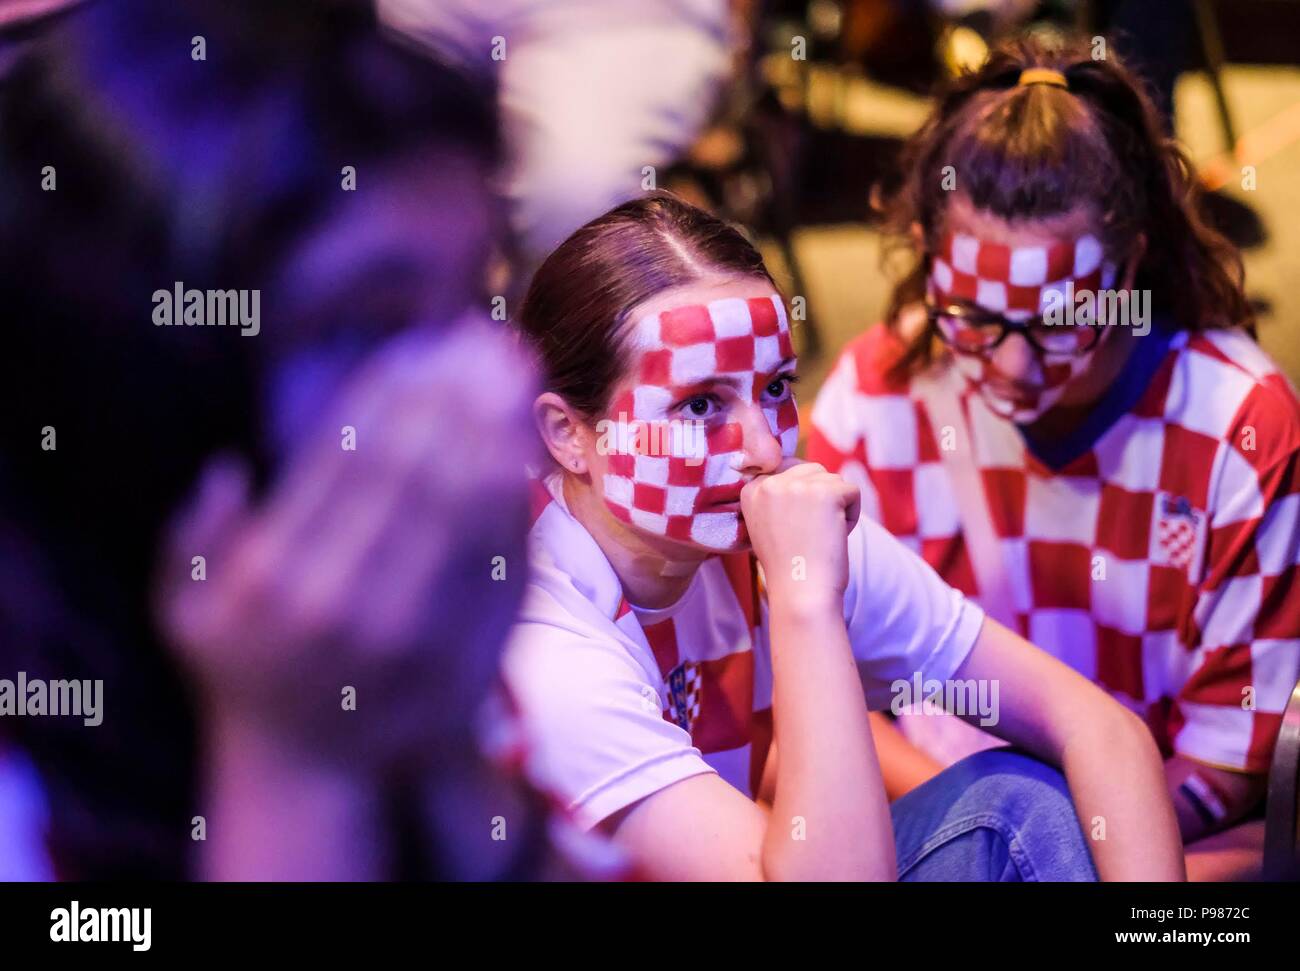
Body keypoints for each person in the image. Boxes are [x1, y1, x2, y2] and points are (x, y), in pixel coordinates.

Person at [0, 0, 583, 880]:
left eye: (475, 298)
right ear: (140, 376)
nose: (500, 395)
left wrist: (442, 761)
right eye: (367, 328)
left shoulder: (395, 625)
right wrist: (296, 765)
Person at [503, 191, 1184, 881]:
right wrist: (806, 601)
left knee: (1020, 804)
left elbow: (1098, 726)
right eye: (701, 405)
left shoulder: (771, 525)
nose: (765, 449)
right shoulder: (541, 640)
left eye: (775, 388)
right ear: (568, 434)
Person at [807, 36, 1300, 881]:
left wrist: (1055, 847)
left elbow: (1233, 757)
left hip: (1164, 844)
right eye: (971, 315)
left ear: (1131, 264)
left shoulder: (1237, 427)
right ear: (927, 249)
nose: (1011, 368)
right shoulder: (875, 397)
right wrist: (995, 837)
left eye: (1062, 319)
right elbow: (824, 710)